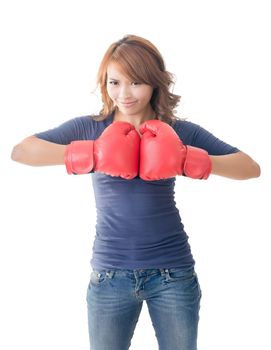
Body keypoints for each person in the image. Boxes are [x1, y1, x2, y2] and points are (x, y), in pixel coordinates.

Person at [11, 34, 261, 350]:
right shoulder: (92, 128)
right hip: (109, 276)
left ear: (154, 83)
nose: (124, 93)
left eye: (136, 83)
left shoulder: (177, 131)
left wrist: (187, 159)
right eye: (115, 82)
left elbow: (249, 168)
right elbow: (21, 152)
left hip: (173, 273)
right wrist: (93, 154)